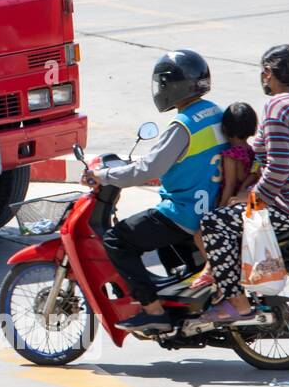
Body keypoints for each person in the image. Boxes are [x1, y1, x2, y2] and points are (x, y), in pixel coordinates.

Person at [193, 45, 289, 324]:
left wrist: (254, 198)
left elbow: (278, 167)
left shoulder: (277, 105)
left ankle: (236, 305)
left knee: (214, 222)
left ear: (267, 74)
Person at [81, 50, 226, 333]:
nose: (160, 89)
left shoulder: (182, 126)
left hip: (184, 211)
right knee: (164, 247)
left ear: (175, 86)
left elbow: (148, 169)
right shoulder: (214, 112)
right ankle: (187, 303)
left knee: (117, 240)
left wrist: (104, 175)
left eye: (163, 83)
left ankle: (153, 311)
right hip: (211, 207)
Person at [190, 102, 259, 292]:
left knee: (200, 235)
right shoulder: (252, 152)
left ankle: (215, 268)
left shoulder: (230, 154)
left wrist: (218, 211)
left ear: (225, 128)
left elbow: (229, 185)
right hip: (246, 202)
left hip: (232, 202)